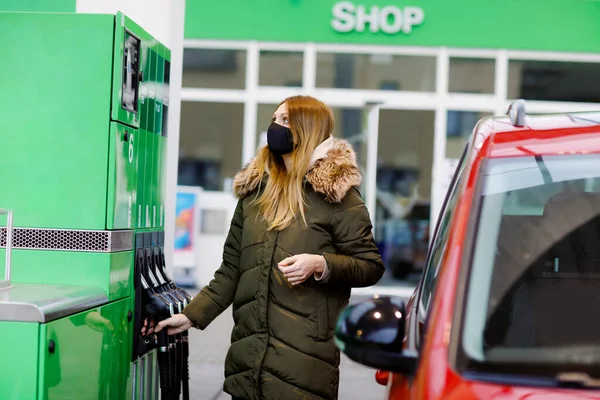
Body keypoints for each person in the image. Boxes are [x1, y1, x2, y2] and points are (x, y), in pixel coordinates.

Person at [155, 95, 385, 400]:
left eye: (286, 120)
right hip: (247, 363)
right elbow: (231, 271)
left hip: (304, 366)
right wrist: (190, 316)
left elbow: (370, 265)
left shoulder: (338, 198)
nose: (275, 127)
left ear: (308, 128)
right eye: (275, 119)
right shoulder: (255, 194)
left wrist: (321, 264)